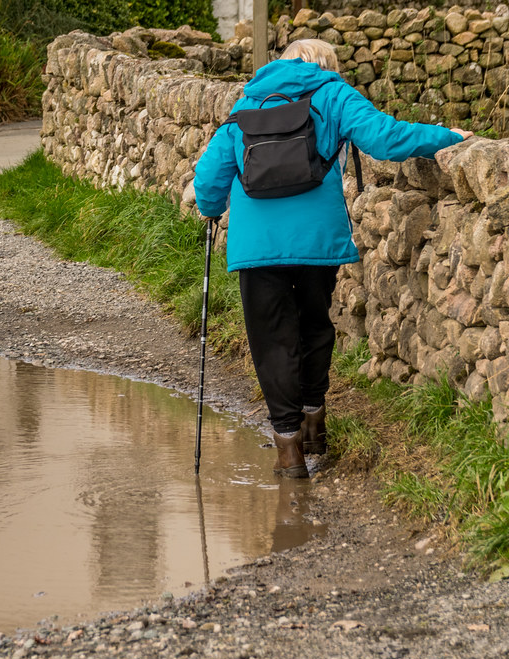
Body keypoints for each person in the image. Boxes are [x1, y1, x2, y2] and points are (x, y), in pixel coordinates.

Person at [193, 39, 471, 478]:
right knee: (315, 326)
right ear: (326, 65)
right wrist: (447, 136)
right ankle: (314, 423)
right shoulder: (334, 93)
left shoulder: (247, 100)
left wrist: (210, 209)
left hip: (256, 248)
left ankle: (288, 449)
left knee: (272, 342)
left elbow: (209, 177)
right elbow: (385, 137)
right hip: (317, 242)